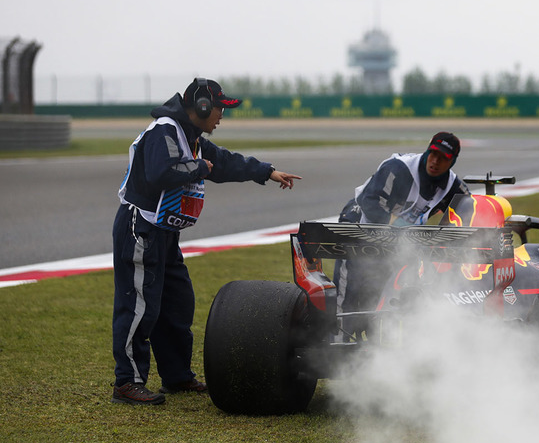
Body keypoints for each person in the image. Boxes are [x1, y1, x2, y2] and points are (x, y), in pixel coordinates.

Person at [112, 78, 301, 405]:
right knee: (140, 306)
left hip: (165, 233)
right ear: (200, 106)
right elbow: (162, 171)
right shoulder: (165, 130)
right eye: (218, 108)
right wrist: (199, 167)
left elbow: (225, 163)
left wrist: (266, 172)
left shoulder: (192, 138)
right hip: (140, 227)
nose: (221, 116)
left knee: (177, 302)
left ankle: (177, 376)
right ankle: (127, 382)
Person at [334, 132, 470, 340]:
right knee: (352, 286)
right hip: (359, 220)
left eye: (443, 158)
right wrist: (398, 225)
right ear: (427, 150)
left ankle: (374, 344)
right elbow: (369, 202)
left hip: (399, 237)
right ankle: (338, 339)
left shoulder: (453, 186)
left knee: (384, 288)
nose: (435, 161)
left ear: (452, 162)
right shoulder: (398, 168)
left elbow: (468, 210)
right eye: (433, 154)